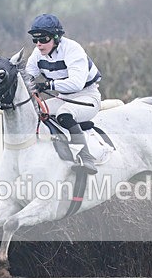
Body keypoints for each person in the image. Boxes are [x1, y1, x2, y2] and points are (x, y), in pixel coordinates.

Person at [25, 13, 102, 174]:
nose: (39, 44)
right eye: (35, 40)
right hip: (63, 97)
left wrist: (47, 84)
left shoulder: (73, 49)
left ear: (56, 37)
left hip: (86, 96)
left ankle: (86, 157)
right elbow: (28, 76)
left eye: (43, 39)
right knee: (36, 113)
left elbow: (76, 83)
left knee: (64, 115)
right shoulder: (37, 53)